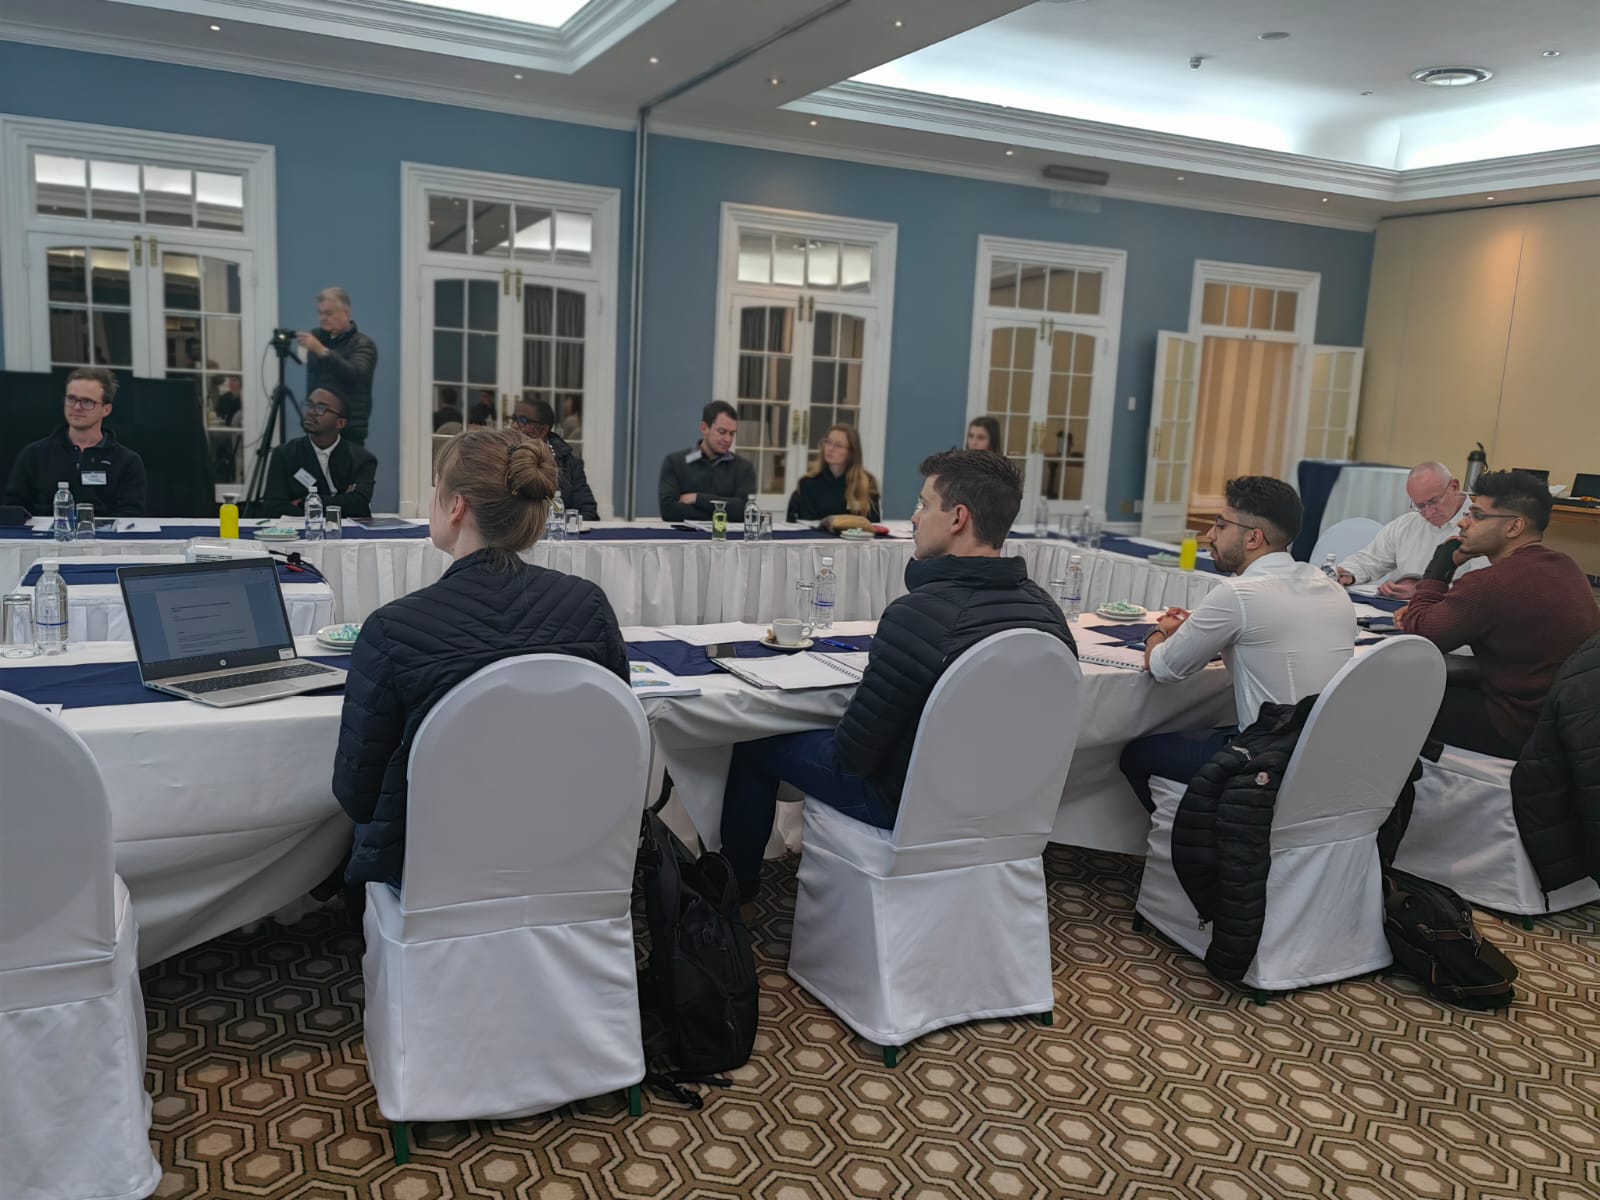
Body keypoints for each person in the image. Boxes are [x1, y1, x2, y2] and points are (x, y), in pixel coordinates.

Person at [719, 451, 1077, 901]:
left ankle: (732, 897)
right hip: (1009, 810)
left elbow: (853, 757)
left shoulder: (917, 615)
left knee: (756, 741)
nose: (915, 517)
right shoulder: (1048, 615)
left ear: (958, 518)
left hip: (906, 807)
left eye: (925, 505)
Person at [332, 429, 628, 890]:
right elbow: (615, 750)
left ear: (456, 506)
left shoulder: (392, 630)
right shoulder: (590, 608)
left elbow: (358, 798)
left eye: (435, 487)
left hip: (432, 877)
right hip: (572, 861)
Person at [1120, 475, 1355, 811]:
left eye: (1220, 525)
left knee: (1136, 754)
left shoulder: (1238, 593)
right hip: (1330, 754)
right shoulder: (1329, 586)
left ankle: (1199, 834)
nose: (1209, 535)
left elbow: (1164, 668)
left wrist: (1158, 632)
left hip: (1268, 759)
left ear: (1253, 538)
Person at [1398, 470, 1600, 758]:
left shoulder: (1491, 583)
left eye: (1477, 516)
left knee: (1389, 697)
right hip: (1566, 720)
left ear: (1514, 526)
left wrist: (1441, 565)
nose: (1463, 522)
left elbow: (1419, 634)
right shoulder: (1565, 566)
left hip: (1517, 726)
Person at [4, 366, 147, 517]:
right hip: (45, 532)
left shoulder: (127, 462)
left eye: (87, 401)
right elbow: (15, 510)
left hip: (106, 532)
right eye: (71, 399)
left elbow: (130, 515)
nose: (77, 407)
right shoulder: (34, 454)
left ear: (106, 409)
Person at [1335, 461, 1480, 599]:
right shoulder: (1406, 525)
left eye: (1434, 501)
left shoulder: (1482, 528)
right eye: (1420, 506)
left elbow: (1480, 588)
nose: (1429, 513)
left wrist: (1424, 591)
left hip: (1451, 611)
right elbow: (1370, 560)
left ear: (1454, 487)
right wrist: (1349, 572)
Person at [260, 387, 377, 519]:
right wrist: (342, 500)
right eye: (309, 405)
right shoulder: (285, 454)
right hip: (300, 530)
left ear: (340, 423)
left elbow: (359, 505)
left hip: (348, 530)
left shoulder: (362, 459)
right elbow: (273, 508)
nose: (310, 412)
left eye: (321, 408)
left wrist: (304, 502)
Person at [298, 287, 377, 445]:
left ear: (346, 313)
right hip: (318, 428)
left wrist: (323, 352)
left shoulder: (363, 344)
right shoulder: (318, 343)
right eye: (320, 313)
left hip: (349, 430)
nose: (323, 318)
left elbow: (355, 376)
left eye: (328, 313)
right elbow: (312, 387)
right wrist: (308, 416)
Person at [657, 400, 757, 522]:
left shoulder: (744, 468)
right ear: (704, 428)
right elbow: (668, 511)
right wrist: (723, 512)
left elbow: (744, 511)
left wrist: (697, 498)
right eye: (722, 432)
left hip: (728, 535)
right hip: (685, 534)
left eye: (732, 434)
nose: (728, 439)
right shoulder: (675, 462)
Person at [511, 398, 598, 519]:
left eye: (522, 420)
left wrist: (561, 524)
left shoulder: (568, 461)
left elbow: (587, 511)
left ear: (543, 429)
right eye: (513, 419)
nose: (514, 425)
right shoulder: (502, 456)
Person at [787, 423, 881, 524]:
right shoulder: (808, 483)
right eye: (828, 442)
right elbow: (807, 522)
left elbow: (873, 523)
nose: (830, 448)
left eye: (838, 445)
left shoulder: (866, 483)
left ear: (851, 453)